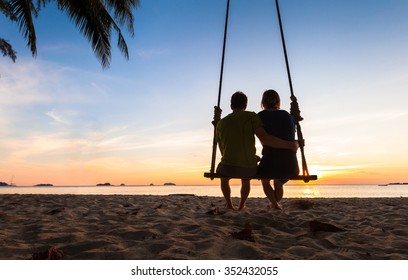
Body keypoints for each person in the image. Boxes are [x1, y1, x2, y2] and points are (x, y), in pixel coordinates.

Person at [214, 91, 298, 210]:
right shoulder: (252, 116)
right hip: (252, 168)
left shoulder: (221, 123)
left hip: (229, 166)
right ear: (246, 105)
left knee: (224, 178)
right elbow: (264, 137)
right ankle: (243, 204)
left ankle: (229, 203)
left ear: (231, 105)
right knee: (247, 179)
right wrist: (292, 144)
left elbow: (221, 146)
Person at [258, 89, 299, 210]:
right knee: (278, 183)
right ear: (278, 101)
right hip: (290, 165)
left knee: (265, 182)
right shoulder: (288, 115)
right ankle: (275, 204)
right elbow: (292, 133)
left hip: (269, 163)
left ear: (263, 103)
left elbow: (266, 140)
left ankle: (275, 204)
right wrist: (294, 144)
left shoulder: (259, 116)